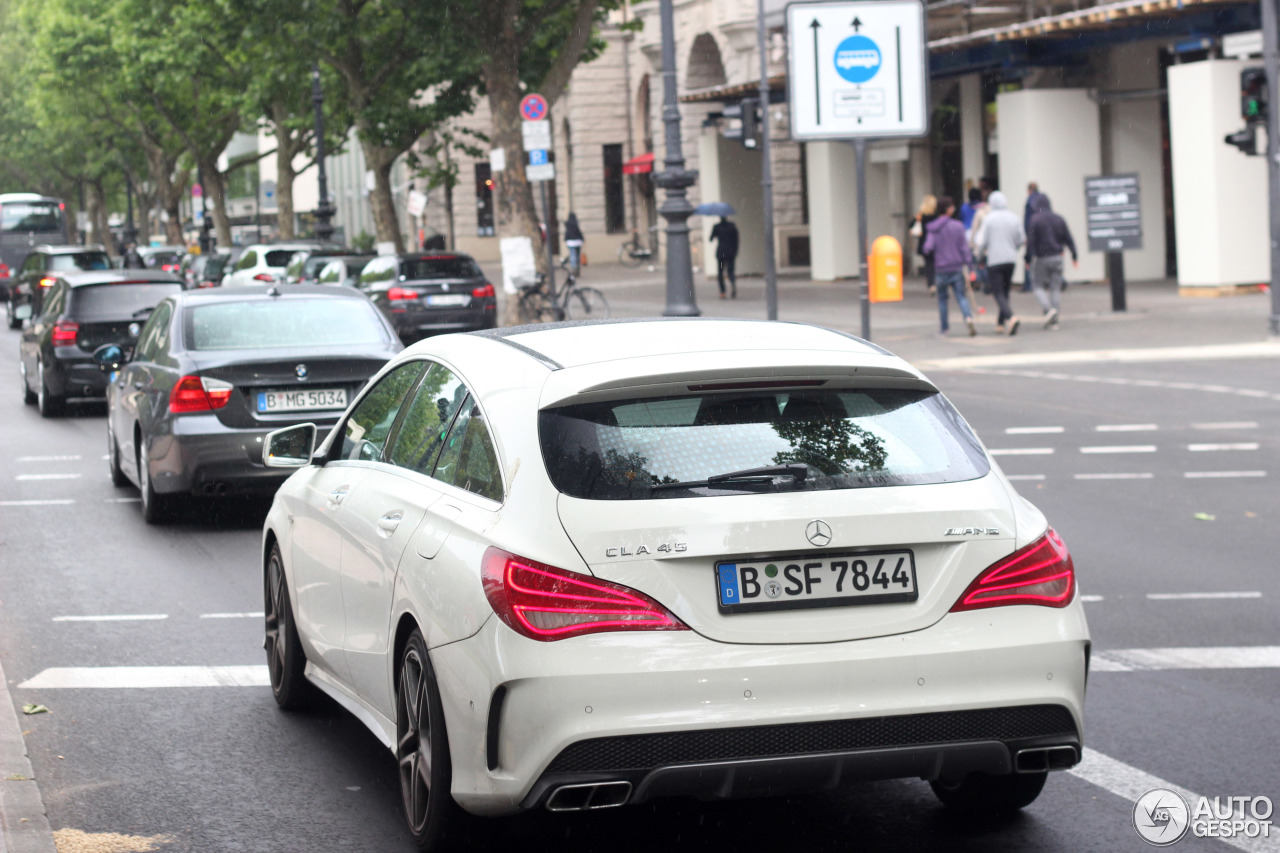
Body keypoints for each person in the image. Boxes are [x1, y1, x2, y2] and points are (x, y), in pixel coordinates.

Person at [922, 196, 976, 336]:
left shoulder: (933, 228)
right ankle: (968, 318)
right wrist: (970, 266)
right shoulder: (958, 226)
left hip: (940, 268)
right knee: (961, 297)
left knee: (942, 299)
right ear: (948, 209)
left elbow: (927, 247)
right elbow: (964, 248)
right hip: (956, 267)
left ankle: (944, 329)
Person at [974, 191, 1025, 335]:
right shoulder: (1014, 218)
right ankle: (1000, 323)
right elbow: (1021, 239)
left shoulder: (989, 219)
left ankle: (1010, 317)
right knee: (1005, 290)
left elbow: (982, 241)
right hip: (1010, 260)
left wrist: (979, 256)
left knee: (997, 292)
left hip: (994, 260)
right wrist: (1013, 248)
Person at [1027, 194, 1078, 329]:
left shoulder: (1035, 220)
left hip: (1042, 258)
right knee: (1055, 288)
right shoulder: (1058, 219)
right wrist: (1074, 256)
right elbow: (1068, 238)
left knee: (1037, 286)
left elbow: (1030, 242)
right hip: (1058, 257)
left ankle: (1048, 310)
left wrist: (1027, 258)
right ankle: (1054, 319)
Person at [1021, 182, 1045, 292]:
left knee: (1028, 258)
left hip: (1032, 232)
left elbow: (1027, 220)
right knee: (1045, 255)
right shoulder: (1044, 199)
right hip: (1043, 232)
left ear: (1030, 190)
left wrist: (1027, 234)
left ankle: (1027, 285)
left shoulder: (1029, 201)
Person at [912, 195, 939, 295]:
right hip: (936, 243)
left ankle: (931, 284)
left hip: (924, 243)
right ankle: (936, 283)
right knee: (936, 264)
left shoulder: (921, 216)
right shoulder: (936, 216)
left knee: (928, 265)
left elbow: (911, 225)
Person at [709, 215, 739, 298]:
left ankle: (722, 292)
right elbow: (736, 240)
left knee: (720, 272)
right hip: (730, 253)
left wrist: (715, 232)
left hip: (721, 253)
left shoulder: (716, 227)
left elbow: (710, 239)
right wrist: (735, 251)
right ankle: (732, 283)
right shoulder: (732, 226)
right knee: (730, 271)